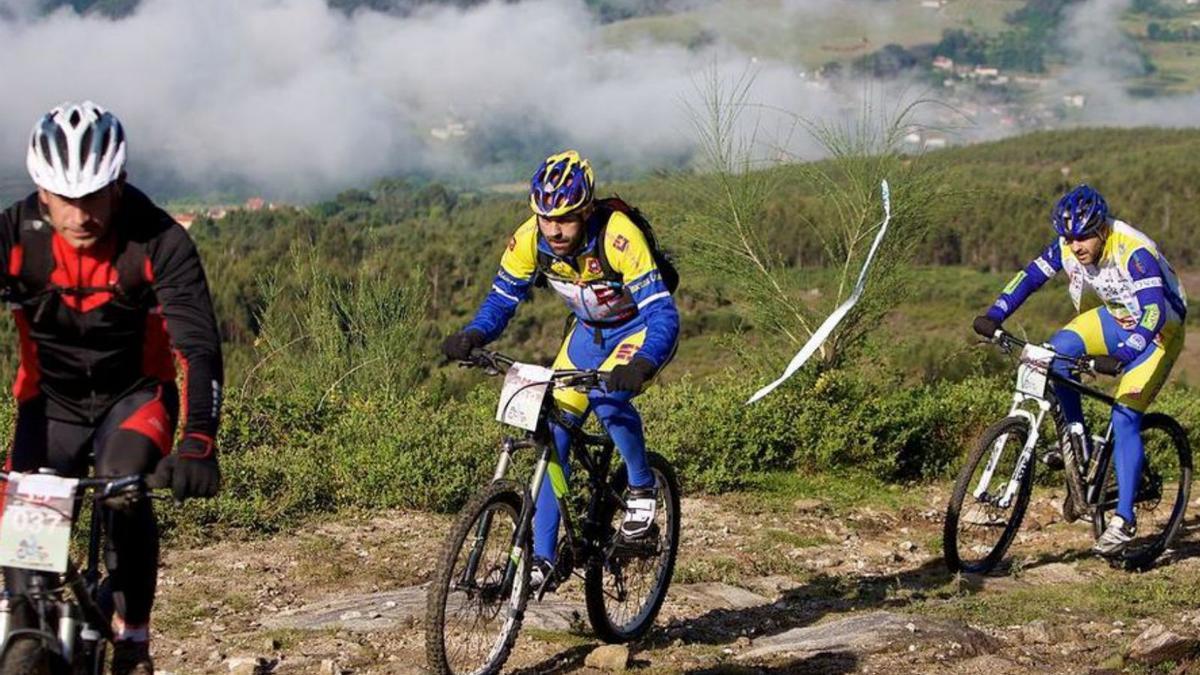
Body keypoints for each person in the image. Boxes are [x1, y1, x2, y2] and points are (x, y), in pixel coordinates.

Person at [0, 101, 224, 674]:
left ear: (118, 183)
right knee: (27, 579)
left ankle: (133, 638)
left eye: (94, 195)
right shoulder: (13, 237)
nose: (79, 215)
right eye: (64, 197)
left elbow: (197, 347)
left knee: (125, 496)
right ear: (40, 190)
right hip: (49, 404)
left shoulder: (157, 240)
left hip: (134, 398)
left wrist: (199, 440)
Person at [441, 150, 679, 589]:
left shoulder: (618, 237)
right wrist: (473, 335)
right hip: (589, 334)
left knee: (607, 397)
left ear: (586, 210)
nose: (554, 229)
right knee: (552, 430)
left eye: (566, 219)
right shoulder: (530, 239)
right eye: (546, 218)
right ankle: (543, 559)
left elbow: (664, 314)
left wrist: (642, 364)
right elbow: (502, 300)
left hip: (637, 329)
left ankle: (642, 489)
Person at [973, 184, 1186, 556]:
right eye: (1069, 238)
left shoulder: (1134, 252)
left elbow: (1152, 312)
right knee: (1054, 354)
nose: (1076, 247)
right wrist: (995, 313)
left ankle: (1124, 520)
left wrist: (1124, 355)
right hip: (1116, 319)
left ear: (1102, 228)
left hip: (1157, 334)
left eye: (1084, 237)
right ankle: (1078, 443)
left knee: (1125, 416)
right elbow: (1029, 277)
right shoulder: (1067, 245)